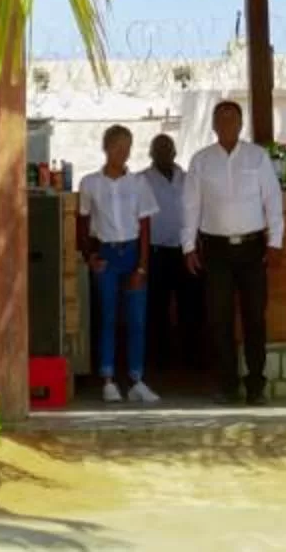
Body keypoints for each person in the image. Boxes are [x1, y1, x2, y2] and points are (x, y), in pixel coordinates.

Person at [182, 98, 283, 403]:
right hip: (215, 250)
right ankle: (227, 385)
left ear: (241, 124)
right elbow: (191, 205)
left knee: (255, 318)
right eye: (221, 118)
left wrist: (275, 241)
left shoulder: (257, 157)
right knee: (219, 319)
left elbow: (273, 200)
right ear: (213, 125)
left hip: (253, 249)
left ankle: (256, 385)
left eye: (232, 118)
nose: (226, 123)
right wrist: (188, 245)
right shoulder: (201, 161)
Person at [74, 124, 160, 403]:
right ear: (106, 148)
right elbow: (82, 222)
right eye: (117, 147)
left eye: (127, 148)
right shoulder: (90, 183)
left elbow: (145, 226)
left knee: (137, 319)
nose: (122, 153)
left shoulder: (138, 183)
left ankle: (136, 379)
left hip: (133, 252)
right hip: (107, 255)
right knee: (108, 317)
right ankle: (108, 379)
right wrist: (90, 256)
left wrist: (143, 266)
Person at [141, 132, 196, 372]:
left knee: (190, 306)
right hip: (155, 252)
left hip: (185, 251)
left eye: (168, 149)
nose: (164, 153)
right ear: (152, 153)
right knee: (156, 308)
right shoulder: (141, 180)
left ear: (174, 152)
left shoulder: (187, 179)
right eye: (159, 149)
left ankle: (191, 359)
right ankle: (159, 360)